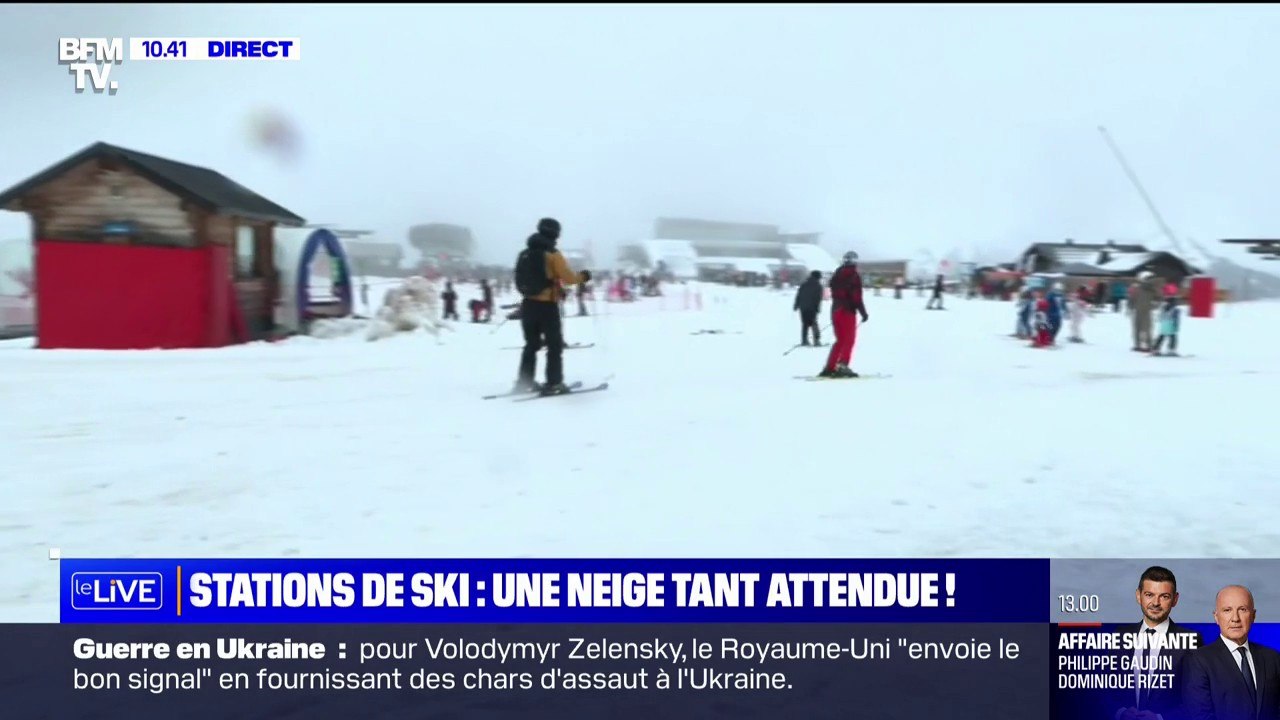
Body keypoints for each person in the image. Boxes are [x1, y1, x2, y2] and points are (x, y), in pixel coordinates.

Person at [1110, 566, 1203, 720]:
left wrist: (1161, 718)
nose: (1155, 603)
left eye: (1164, 596)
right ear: (1138, 596)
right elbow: (1102, 689)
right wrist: (1120, 713)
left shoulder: (1191, 640)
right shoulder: (1119, 636)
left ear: (1175, 599)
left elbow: (1197, 699)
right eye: (1149, 595)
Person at [513, 218, 591, 395]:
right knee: (554, 345)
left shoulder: (524, 253)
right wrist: (584, 277)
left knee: (531, 345)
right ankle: (554, 383)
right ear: (555, 233)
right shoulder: (553, 254)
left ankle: (524, 382)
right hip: (547, 306)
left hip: (528, 303)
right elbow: (569, 278)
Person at [1181, 585, 1280, 720]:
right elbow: (1201, 715)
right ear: (1216, 617)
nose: (1235, 618)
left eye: (1243, 609)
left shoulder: (1273, 658)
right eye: (1227, 610)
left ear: (1253, 615)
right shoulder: (1198, 660)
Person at [819, 252, 868, 378]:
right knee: (849, 339)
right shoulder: (853, 275)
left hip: (835, 310)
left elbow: (833, 288)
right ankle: (843, 365)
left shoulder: (837, 273)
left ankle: (830, 367)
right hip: (848, 311)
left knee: (840, 340)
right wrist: (863, 312)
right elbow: (856, 297)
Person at [793, 270, 824, 346]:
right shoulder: (818, 286)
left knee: (805, 324)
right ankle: (816, 341)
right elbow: (818, 298)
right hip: (812, 308)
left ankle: (804, 340)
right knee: (814, 324)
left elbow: (799, 295)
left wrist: (796, 305)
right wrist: (817, 308)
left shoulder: (803, 284)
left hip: (803, 307)